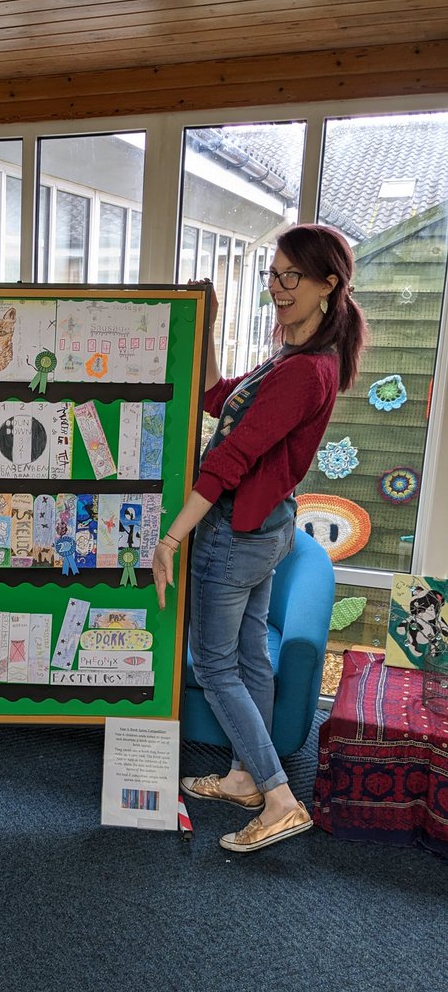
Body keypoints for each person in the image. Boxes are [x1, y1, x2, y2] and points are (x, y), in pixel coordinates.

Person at [153, 224, 367, 853]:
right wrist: (209, 325)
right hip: (264, 528)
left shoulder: (306, 373)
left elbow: (230, 459)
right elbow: (220, 399)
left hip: (237, 534)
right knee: (249, 659)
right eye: (273, 275)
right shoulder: (290, 358)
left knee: (216, 666)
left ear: (329, 285)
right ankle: (248, 775)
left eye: (291, 277)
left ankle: (277, 798)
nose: (278, 288)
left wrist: (170, 538)